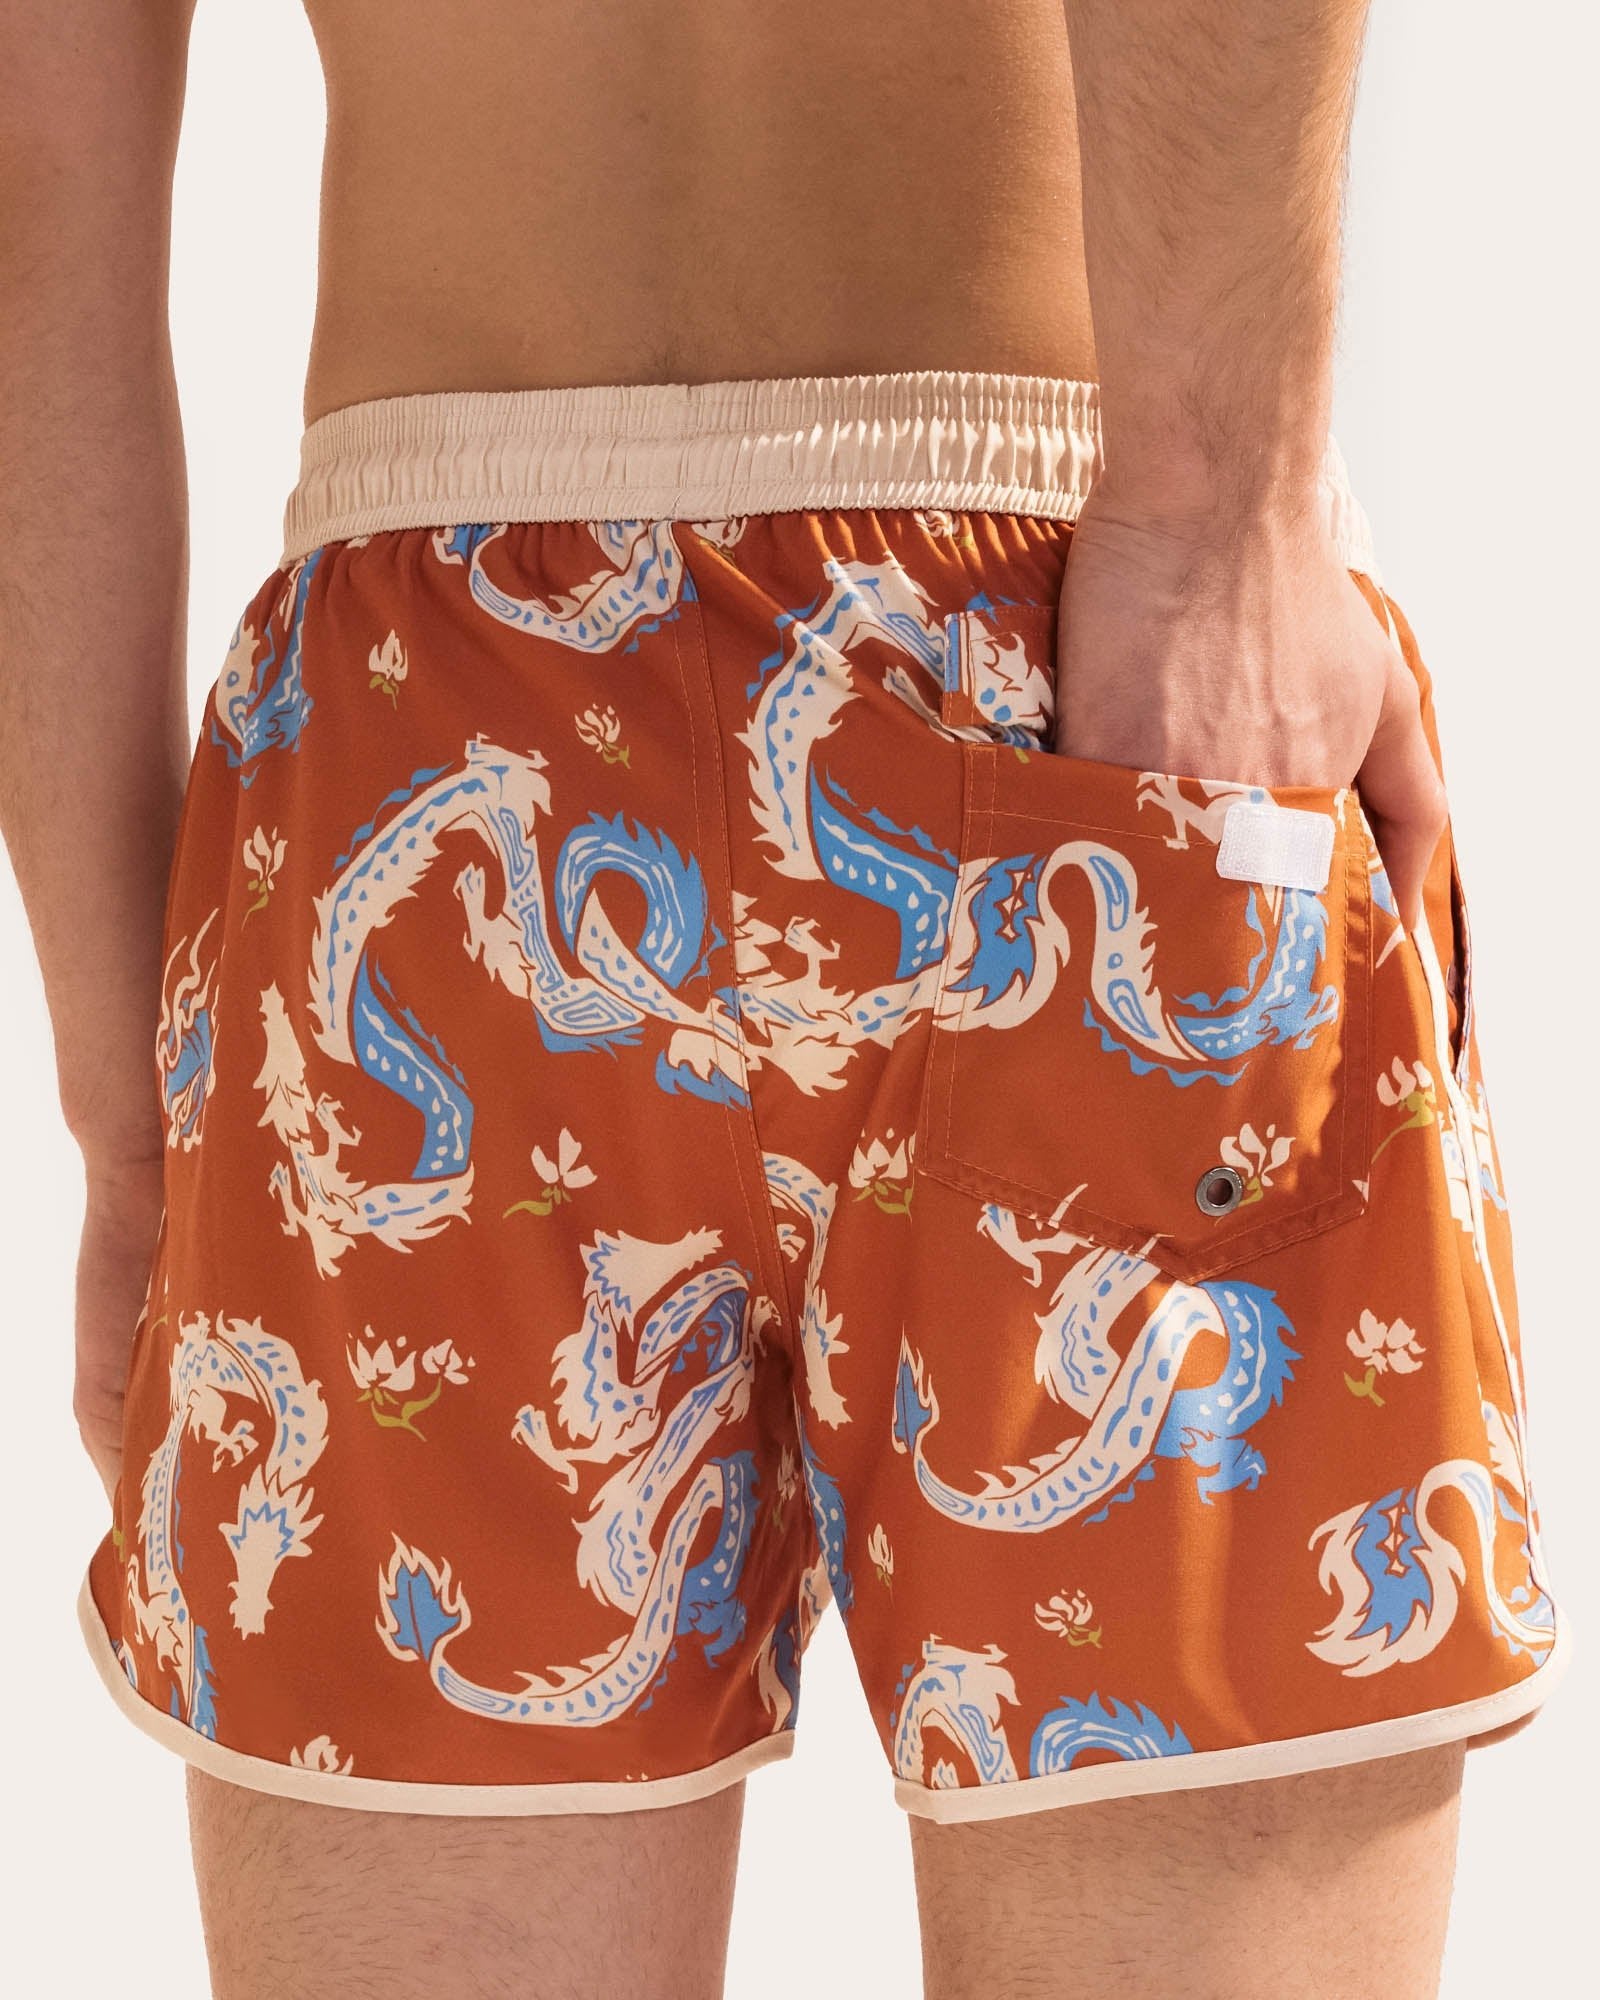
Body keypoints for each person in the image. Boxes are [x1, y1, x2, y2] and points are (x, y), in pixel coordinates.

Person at [0, 2, 1568, 1995]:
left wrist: (134, 1115)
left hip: (425, 748)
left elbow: (30, 193)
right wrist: (1221, 512)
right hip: (1060, 696)